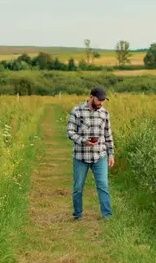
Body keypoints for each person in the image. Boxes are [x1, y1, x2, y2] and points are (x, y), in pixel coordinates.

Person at [66, 86, 115, 220]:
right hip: (81, 156)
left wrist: (111, 155)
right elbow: (70, 132)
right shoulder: (77, 111)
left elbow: (108, 135)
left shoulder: (104, 113)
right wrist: (83, 141)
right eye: (99, 100)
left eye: (103, 100)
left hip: (100, 156)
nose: (101, 103)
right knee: (77, 187)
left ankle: (107, 216)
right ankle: (77, 214)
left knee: (103, 186)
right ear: (91, 97)